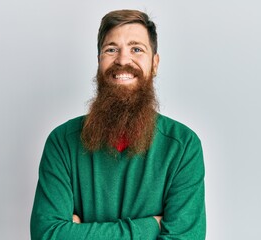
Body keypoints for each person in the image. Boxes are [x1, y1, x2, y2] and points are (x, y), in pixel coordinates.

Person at [30, 9, 206, 239]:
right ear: (99, 62)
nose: (123, 60)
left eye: (136, 49)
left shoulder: (183, 146)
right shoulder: (62, 142)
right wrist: (150, 227)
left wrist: (77, 231)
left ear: (155, 63)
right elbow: (47, 235)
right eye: (111, 49)